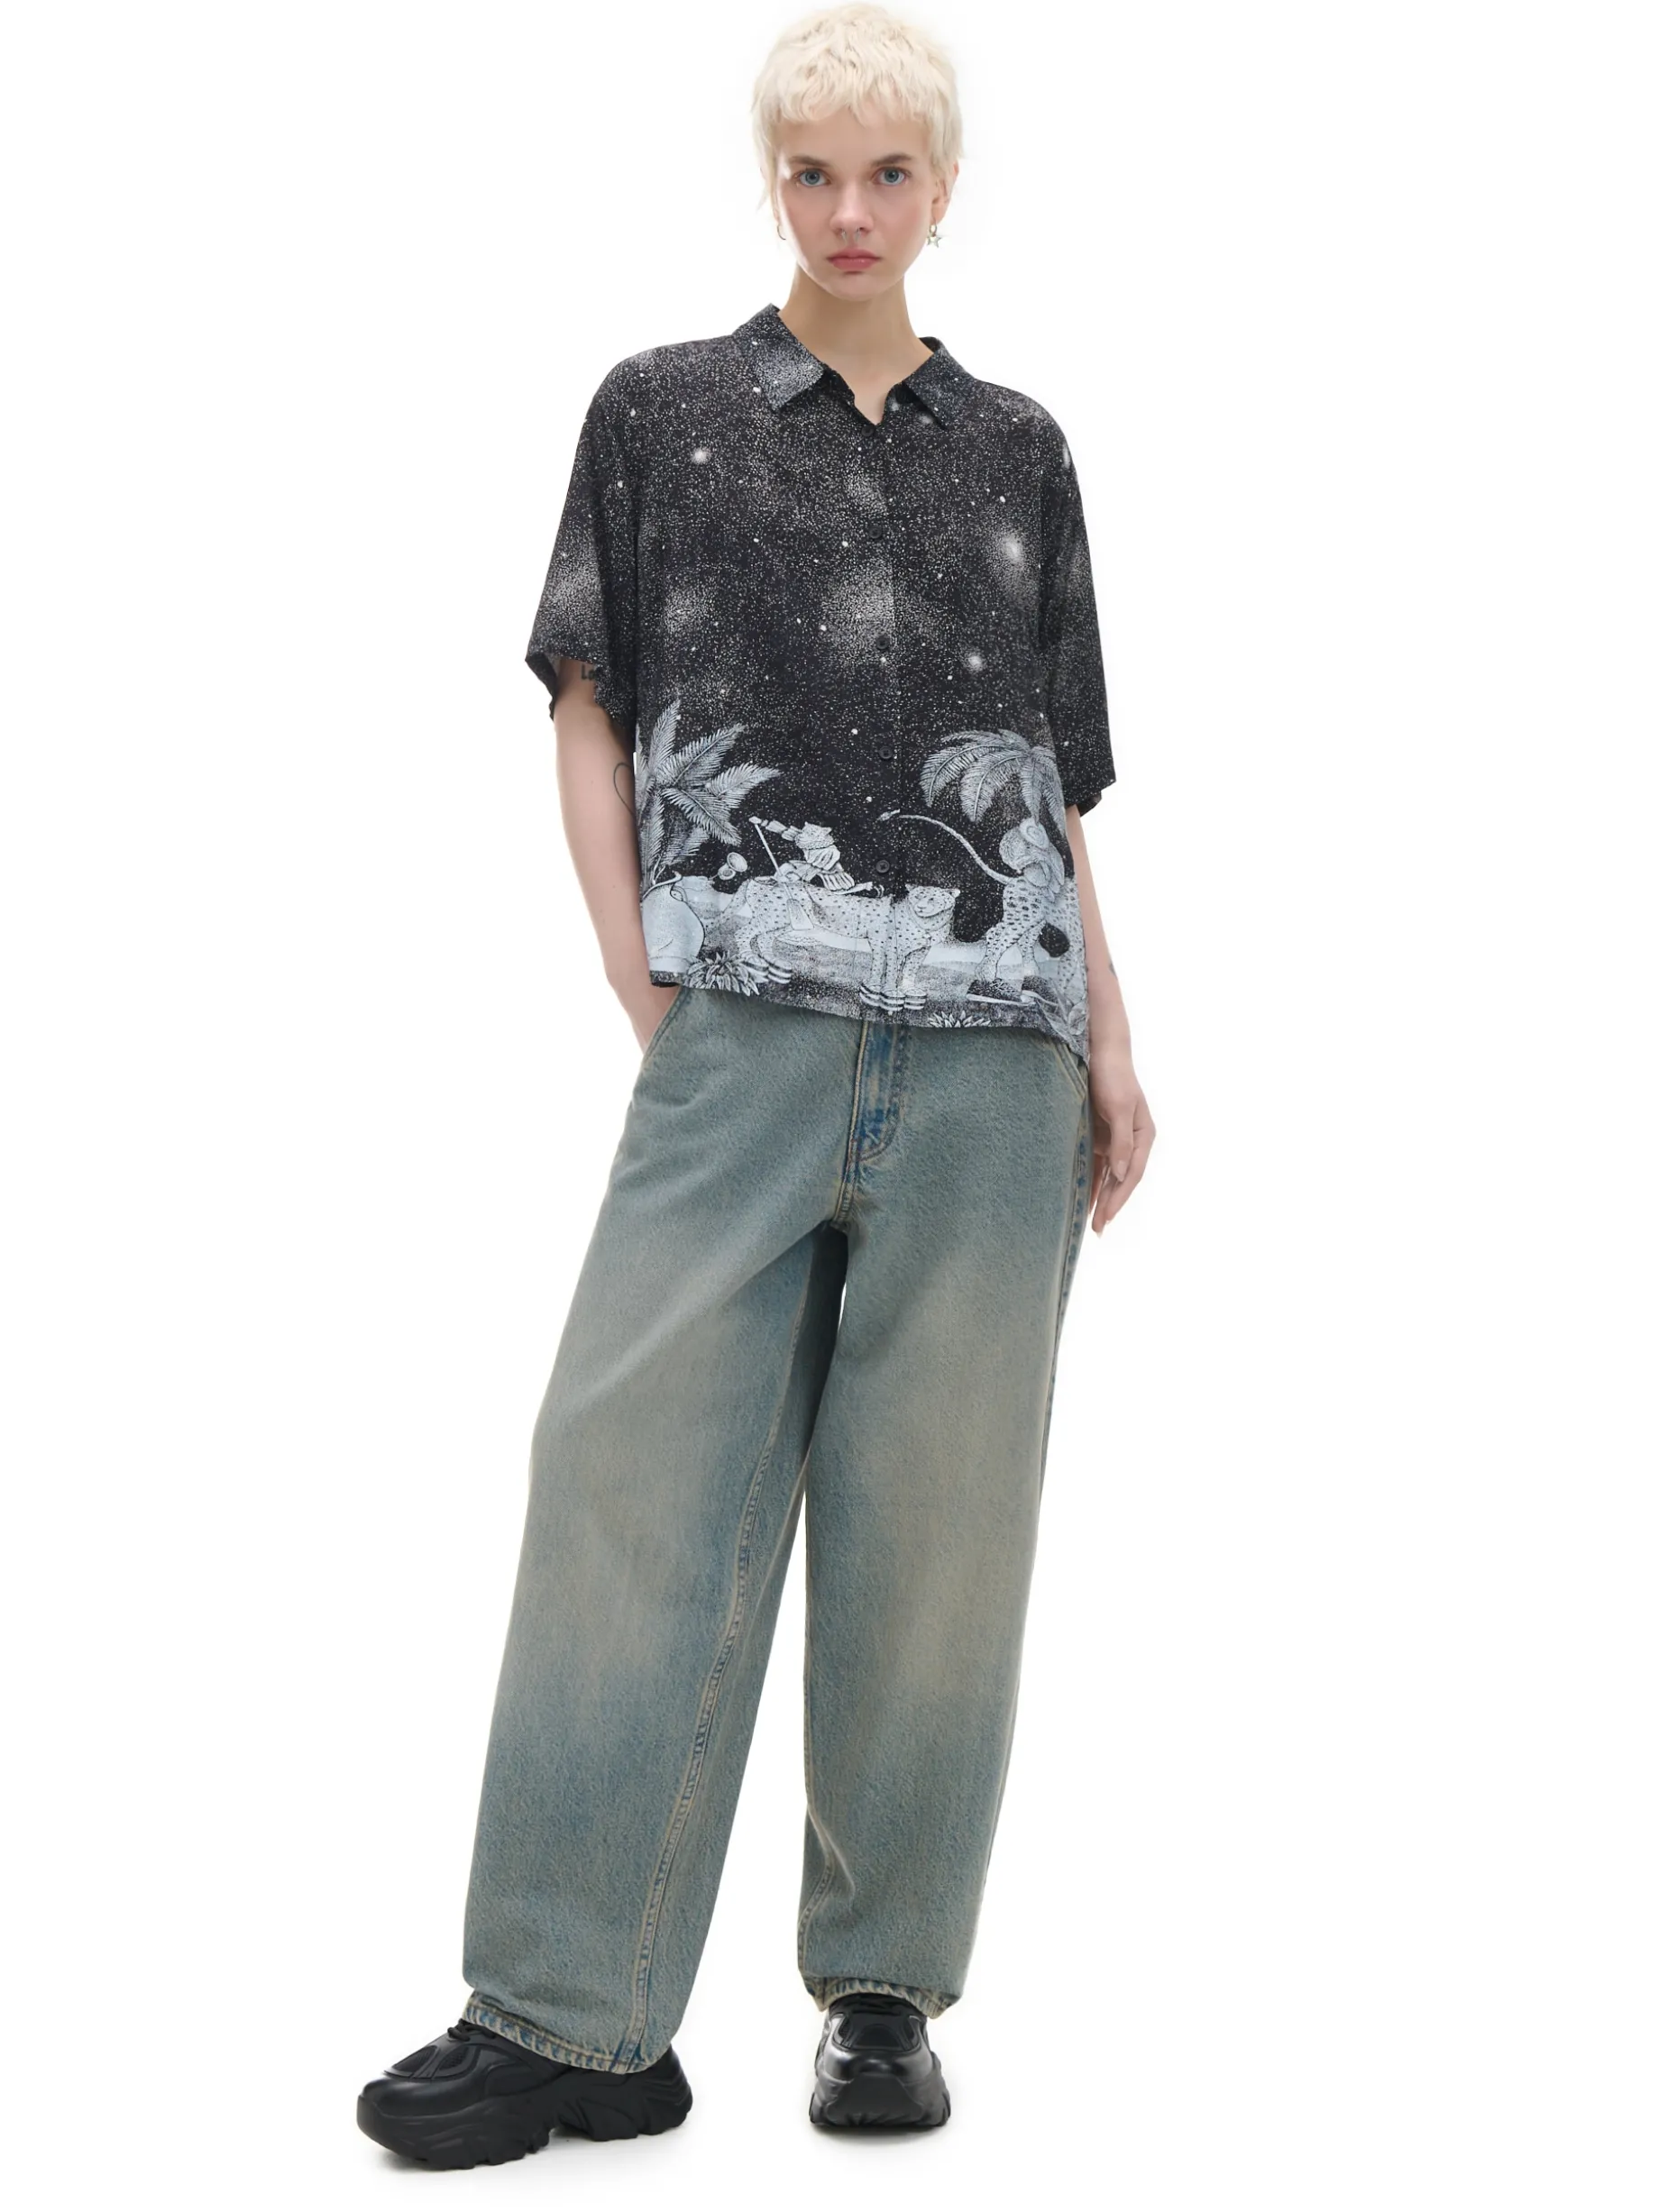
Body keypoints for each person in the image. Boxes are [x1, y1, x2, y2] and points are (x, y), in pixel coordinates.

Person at [356, 0, 1154, 2166]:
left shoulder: (1021, 454)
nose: (848, 210)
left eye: (887, 174)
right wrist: (644, 983)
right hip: (741, 1037)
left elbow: (1047, 779)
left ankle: (882, 1995)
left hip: (995, 1064)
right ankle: (568, 2015)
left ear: (944, 189)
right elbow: (587, 704)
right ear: (768, 180)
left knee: (937, 1528)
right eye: (812, 172)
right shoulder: (662, 414)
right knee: (620, 1475)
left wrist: (1109, 1033)